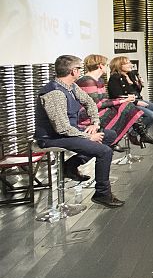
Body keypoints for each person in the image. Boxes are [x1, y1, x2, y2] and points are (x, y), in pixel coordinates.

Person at [34, 55, 125, 208]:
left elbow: (89, 102)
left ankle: (71, 165)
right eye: (79, 69)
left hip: (69, 131)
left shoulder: (71, 86)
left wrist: (94, 123)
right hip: (52, 137)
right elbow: (61, 128)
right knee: (104, 151)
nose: (81, 72)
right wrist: (88, 136)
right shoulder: (55, 93)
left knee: (109, 135)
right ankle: (102, 193)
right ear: (73, 71)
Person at [76, 54, 147, 151]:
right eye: (106, 65)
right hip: (89, 115)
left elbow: (104, 100)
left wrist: (123, 100)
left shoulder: (100, 80)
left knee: (127, 105)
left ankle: (138, 135)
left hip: (100, 110)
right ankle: (119, 140)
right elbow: (96, 104)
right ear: (100, 66)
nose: (107, 67)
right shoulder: (87, 81)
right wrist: (122, 100)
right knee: (126, 106)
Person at [107, 56, 153, 141]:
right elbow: (116, 96)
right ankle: (135, 134)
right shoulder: (114, 78)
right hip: (126, 104)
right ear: (119, 65)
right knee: (151, 115)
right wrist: (136, 102)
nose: (130, 65)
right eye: (127, 63)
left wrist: (139, 84)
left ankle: (141, 133)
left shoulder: (131, 74)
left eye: (129, 62)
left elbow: (136, 91)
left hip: (138, 99)